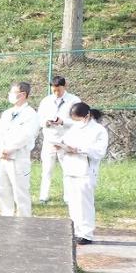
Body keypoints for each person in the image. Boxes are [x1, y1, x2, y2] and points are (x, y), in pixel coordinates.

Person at [57, 102, 109, 245]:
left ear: (86, 116)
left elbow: (99, 151)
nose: (76, 121)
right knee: (72, 202)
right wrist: (62, 147)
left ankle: (86, 233)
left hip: (85, 171)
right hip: (70, 169)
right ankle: (76, 230)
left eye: (77, 118)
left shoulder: (98, 130)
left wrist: (79, 149)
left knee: (84, 203)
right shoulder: (74, 128)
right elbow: (65, 142)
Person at [0, 82, 40, 217]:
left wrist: (10, 149)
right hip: (3, 156)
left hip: (18, 157)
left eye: (13, 92)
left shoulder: (30, 114)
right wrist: (1, 148)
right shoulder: (7, 113)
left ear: (23, 94)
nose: (10, 95)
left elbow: (26, 135)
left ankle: (24, 221)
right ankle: (6, 216)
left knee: (20, 192)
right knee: (3, 189)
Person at [37, 76, 80, 204]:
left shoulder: (74, 100)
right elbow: (39, 119)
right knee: (47, 169)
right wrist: (47, 122)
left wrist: (63, 122)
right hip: (49, 139)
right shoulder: (46, 101)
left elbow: (78, 120)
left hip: (66, 140)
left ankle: (68, 197)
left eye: (59, 90)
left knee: (67, 169)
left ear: (64, 86)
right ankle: (43, 196)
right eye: (54, 90)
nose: (56, 93)